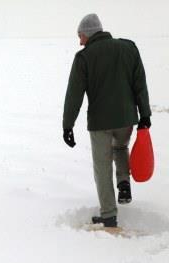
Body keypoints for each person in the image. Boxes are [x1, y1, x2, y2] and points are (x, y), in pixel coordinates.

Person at [62, 14, 151, 227]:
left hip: (100, 122)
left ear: (89, 33)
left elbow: (74, 94)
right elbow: (139, 82)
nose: (79, 41)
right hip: (126, 117)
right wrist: (144, 113)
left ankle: (109, 214)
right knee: (120, 148)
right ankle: (124, 183)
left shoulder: (83, 58)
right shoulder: (129, 48)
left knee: (102, 166)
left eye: (80, 35)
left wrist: (68, 125)